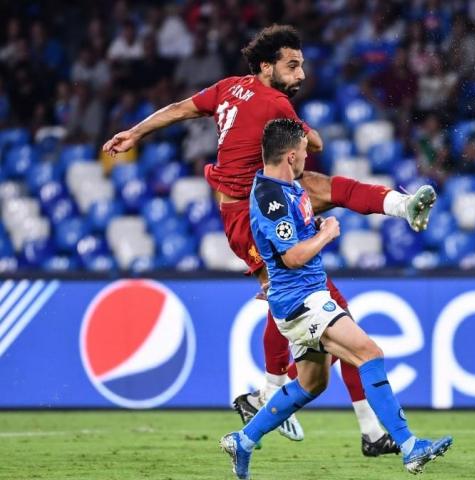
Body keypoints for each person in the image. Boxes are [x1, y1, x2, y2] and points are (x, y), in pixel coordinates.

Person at [102, 24, 437, 455]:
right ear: (267, 66)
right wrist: (303, 128)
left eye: (302, 65)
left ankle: (402, 206)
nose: (301, 75)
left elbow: (180, 108)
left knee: (331, 197)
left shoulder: (228, 87)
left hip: (268, 191)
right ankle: (272, 394)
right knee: (305, 299)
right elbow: (310, 141)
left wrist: (135, 132)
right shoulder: (275, 103)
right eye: (292, 66)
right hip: (250, 212)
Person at [220, 118, 452, 479]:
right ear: (291, 154)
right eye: (303, 154)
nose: (306, 161)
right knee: (369, 354)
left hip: (303, 296)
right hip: (303, 302)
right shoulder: (271, 199)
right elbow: (293, 256)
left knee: (313, 383)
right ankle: (409, 446)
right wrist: (327, 233)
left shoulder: (288, 189)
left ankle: (243, 440)